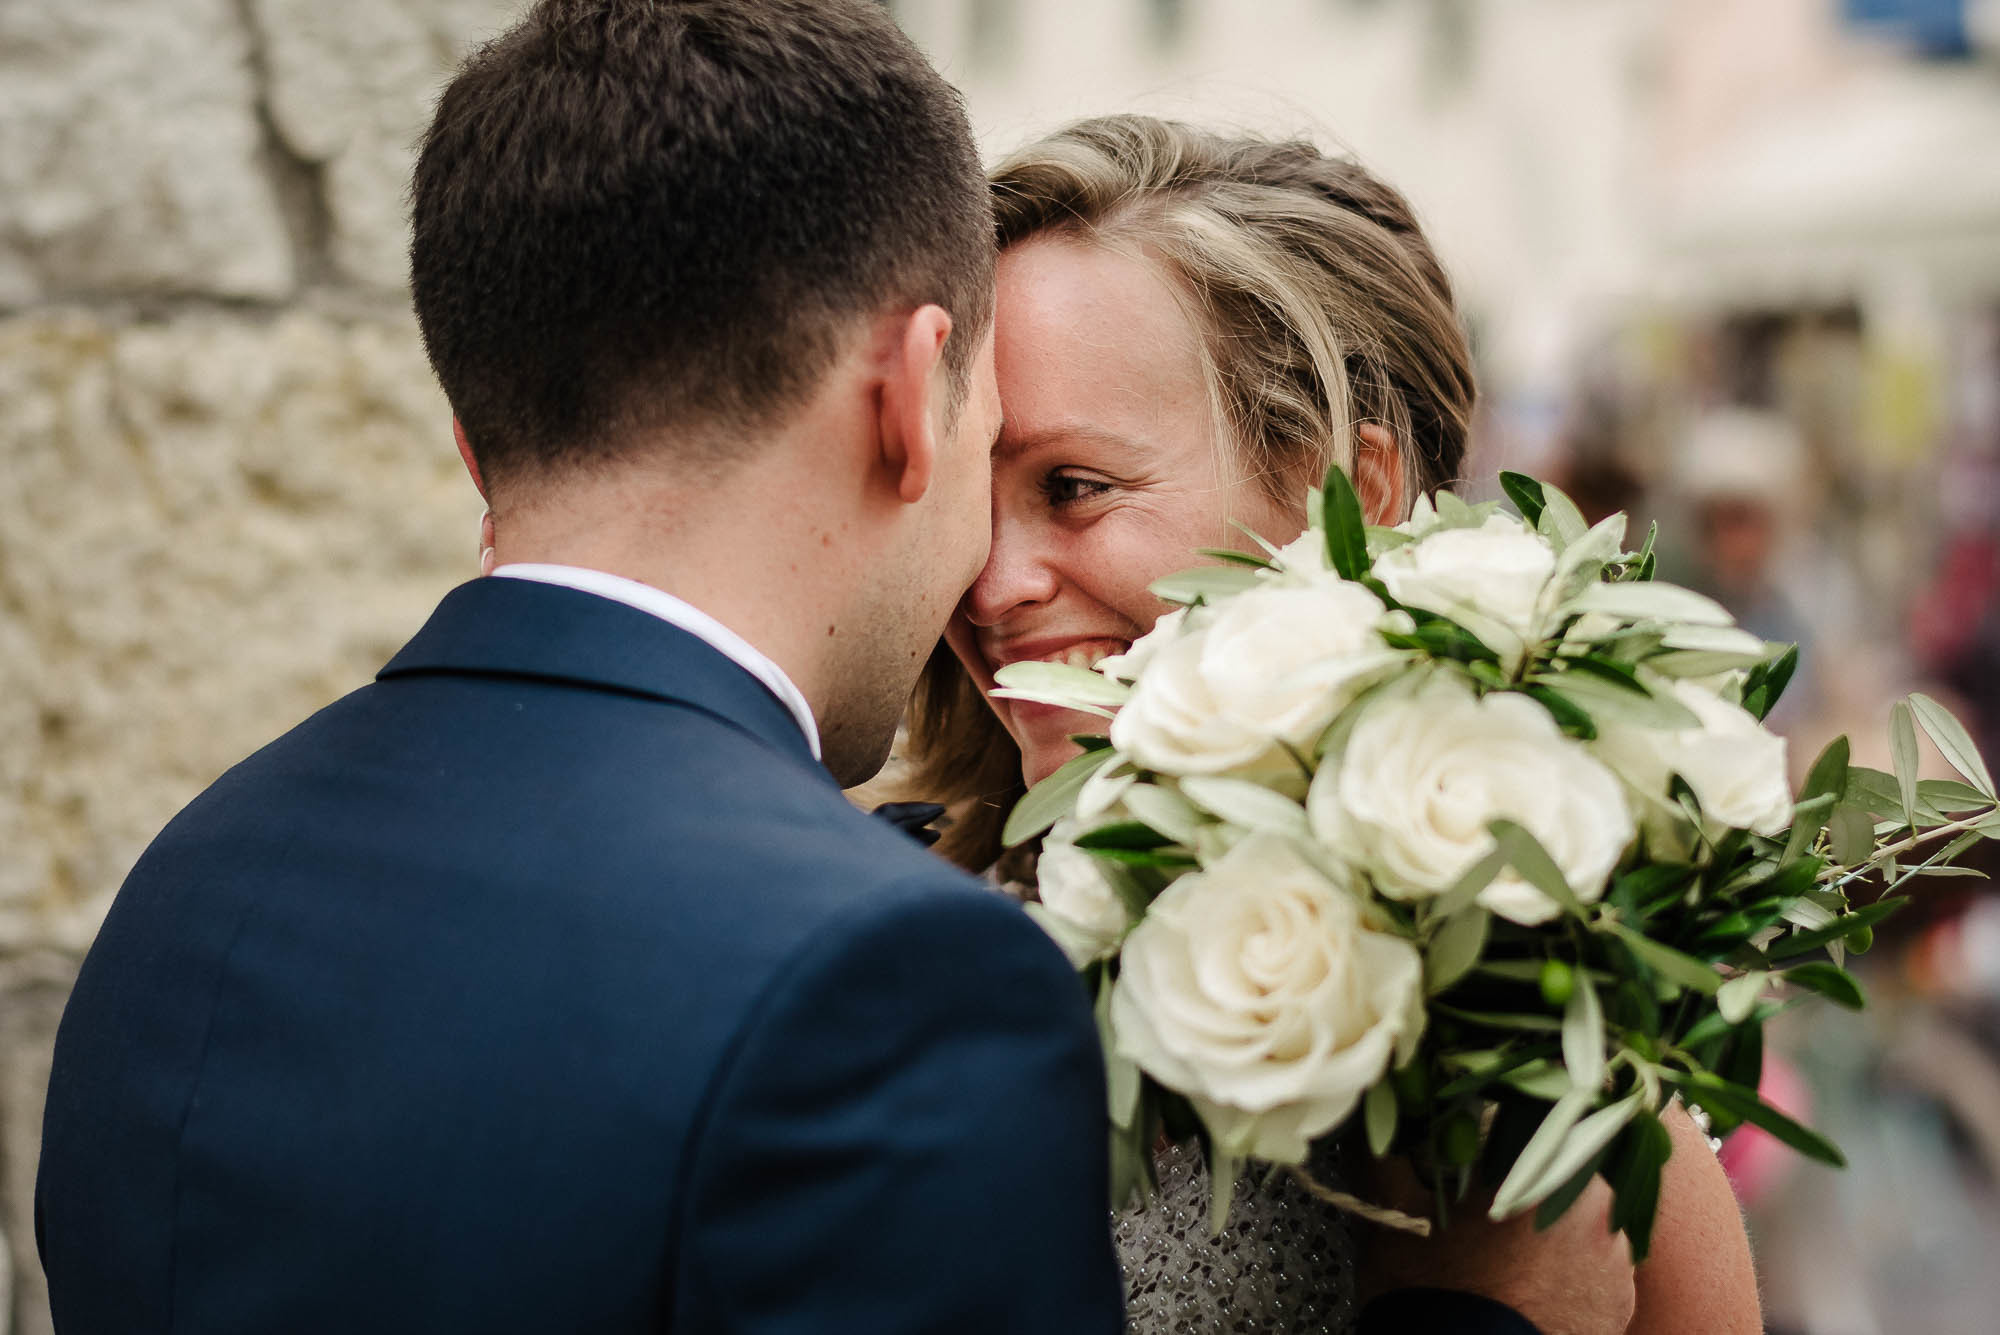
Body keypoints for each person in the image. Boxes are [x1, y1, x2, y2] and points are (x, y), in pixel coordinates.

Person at [33, 3, 1125, 1330]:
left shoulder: (194, 877)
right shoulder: (895, 979)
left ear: (473, 442)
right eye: (988, 435)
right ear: (908, 391)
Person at [907, 115, 1761, 1335]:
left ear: (1342, 498)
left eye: (1073, 489)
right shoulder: (889, 962)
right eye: (964, 499)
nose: (990, 587)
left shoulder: (1525, 1035)